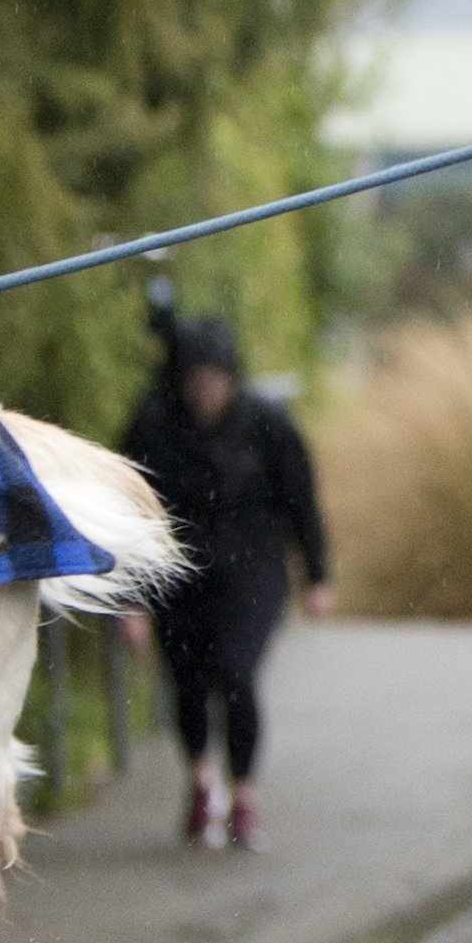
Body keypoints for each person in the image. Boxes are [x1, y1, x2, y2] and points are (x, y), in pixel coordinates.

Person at [119, 316, 331, 852]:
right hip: (177, 576)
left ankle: (243, 797)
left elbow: (301, 501)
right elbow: (127, 516)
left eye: (217, 378)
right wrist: (130, 603)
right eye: (196, 379)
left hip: (252, 573)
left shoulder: (269, 425)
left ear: (233, 378)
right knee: (187, 683)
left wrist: (317, 575)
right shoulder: (152, 428)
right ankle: (201, 782)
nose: (207, 391)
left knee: (237, 675)